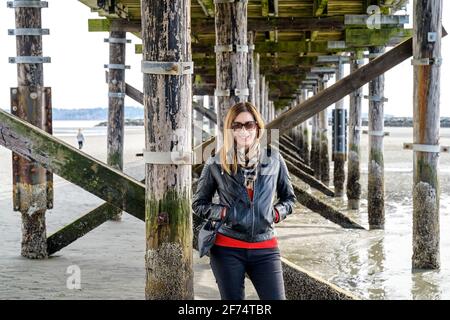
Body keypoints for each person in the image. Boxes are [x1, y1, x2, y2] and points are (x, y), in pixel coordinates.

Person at [192, 102, 296, 300]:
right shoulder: (215, 162)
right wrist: (224, 213)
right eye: (236, 126)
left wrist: (275, 214)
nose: (243, 131)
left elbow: (290, 199)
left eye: (249, 125)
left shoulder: (274, 159)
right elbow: (198, 203)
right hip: (226, 248)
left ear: (257, 127)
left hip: (265, 247)